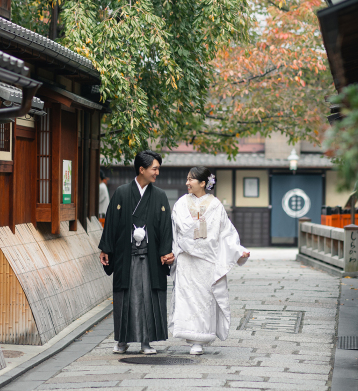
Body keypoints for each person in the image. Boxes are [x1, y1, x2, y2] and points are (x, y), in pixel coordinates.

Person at [98, 150, 175, 355]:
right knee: (126, 297)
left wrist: (166, 252)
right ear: (142, 169)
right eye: (154, 168)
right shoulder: (122, 193)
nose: (157, 172)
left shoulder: (159, 196)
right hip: (127, 256)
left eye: (158, 169)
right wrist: (106, 248)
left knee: (148, 298)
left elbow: (166, 228)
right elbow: (112, 225)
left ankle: (146, 342)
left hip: (150, 258)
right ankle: (122, 341)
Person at [169, 166, 250, 355]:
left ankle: (201, 338)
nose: (187, 183)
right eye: (187, 179)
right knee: (187, 298)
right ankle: (191, 337)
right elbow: (177, 230)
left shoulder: (215, 205)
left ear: (203, 183)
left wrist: (238, 251)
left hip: (206, 260)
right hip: (187, 260)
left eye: (191, 179)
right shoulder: (181, 203)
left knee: (204, 298)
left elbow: (225, 232)